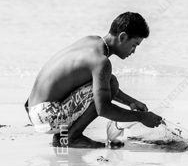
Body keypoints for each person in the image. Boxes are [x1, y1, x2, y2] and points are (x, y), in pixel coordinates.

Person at [25, 12, 163, 148]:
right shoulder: (101, 62)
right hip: (47, 116)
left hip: (34, 110)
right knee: (109, 85)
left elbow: (102, 85)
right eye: (134, 45)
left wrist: (131, 102)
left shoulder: (91, 40)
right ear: (122, 37)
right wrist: (141, 118)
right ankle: (70, 137)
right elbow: (103, 109)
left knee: (110, 81)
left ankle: (65, 134)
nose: (133, 51)